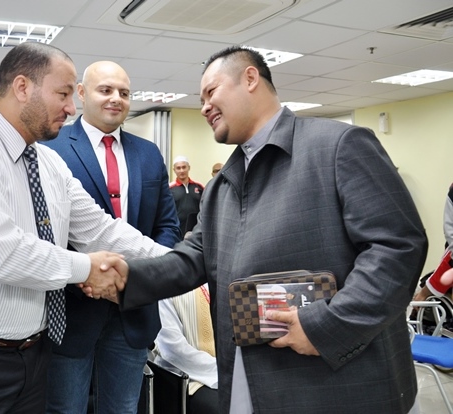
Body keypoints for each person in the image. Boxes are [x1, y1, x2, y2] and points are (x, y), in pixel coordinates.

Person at [112, 46, 428, 413]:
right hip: (249, 377)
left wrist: (326, 325)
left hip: (338, 382)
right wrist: (125, 277)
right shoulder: (222, 186)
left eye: (211, 92)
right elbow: (195, 256)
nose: (204, 107)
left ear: (250, 78)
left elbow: (398, 248)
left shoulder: (338, 146)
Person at [0, 42, 170, 413]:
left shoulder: (50, 164)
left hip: (33, 357)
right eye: (63, 94)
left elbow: (102, 229)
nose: (71, 108)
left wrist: (182, 264)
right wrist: (87, 268)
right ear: (22, 87)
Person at [42, 60, 180, 413]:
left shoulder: (148, 153)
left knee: (123, 408)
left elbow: (167, 226)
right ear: (82, 93)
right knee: (65, 408)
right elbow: (45, 232)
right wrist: (87, 276)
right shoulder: (52, 149)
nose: (116, 98)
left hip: (134, 309)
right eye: (105, 90)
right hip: (73, 307)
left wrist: (141, 276)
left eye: (124, 92)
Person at [154, 283, 218, 414]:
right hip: (190, 377)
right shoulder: (165, 286)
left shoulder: (226, 280)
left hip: (231, 373)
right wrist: (221, 371)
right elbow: (172, 350)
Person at [170, 155, 204, 236]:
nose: (181, 170)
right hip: (177, 231)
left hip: (196, 231)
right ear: (174, 170)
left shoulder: (199, 187)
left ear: (189, 168)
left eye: (184, 167)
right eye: (178, 168)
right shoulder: (169, 189)